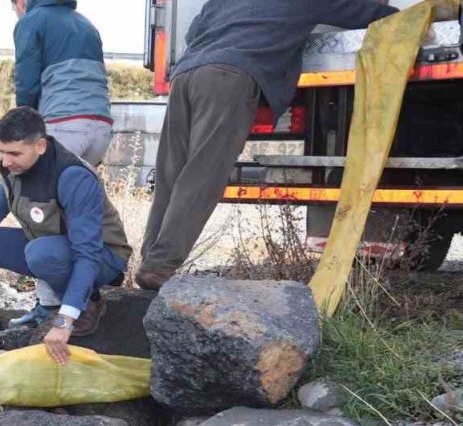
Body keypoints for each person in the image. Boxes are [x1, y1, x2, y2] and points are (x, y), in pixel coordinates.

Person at [133, 0, 399, 291]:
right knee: (203, 174)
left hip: (186, 74)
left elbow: (194, 32)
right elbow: (362, 13)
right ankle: (160, 267)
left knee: (170, 172)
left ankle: (151, 262)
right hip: (230, 76)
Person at [0, 107, 132, 371]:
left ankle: (90, 303)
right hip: (48, 246)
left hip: (103, 258)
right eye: (0, 151)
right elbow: (7, 185)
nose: (5, 161)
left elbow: (87, 254)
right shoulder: (17, 161)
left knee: (41, 253)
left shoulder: (73, 176)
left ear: (41, 146)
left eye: (13, 153)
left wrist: (64, 320)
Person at [10, 0, 114, 167]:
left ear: (22, 3)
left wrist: (23, 124)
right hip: (102, 126)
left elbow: (27, 82)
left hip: (64, 123)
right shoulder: (87, 24)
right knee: (80, 188)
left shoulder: (31, 21)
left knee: (42, 188)